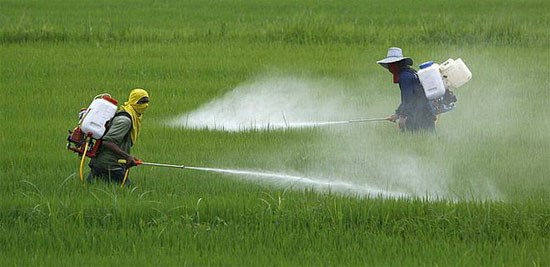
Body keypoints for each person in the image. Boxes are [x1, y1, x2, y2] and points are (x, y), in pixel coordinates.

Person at [87, 88, 150, 185]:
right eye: (141, 102)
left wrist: (127, 158)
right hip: (110, 164)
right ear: (134, 101)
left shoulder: (130, 115)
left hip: (101, 162)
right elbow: (107, 142)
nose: (145, 105)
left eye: (147, 101)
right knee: (129, 193)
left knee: (90, 188)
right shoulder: (125, 121)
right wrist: (127, 157)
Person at [377, 47, 436, 132]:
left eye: (391, 64)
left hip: (418, 115)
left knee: (415, 141)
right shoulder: (410, 72)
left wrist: (402, 116)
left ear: (397, 64)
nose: (390, 68)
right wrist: (397, 114)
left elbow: (408, 99)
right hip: (426, 112)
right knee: (426, 140)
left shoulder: (404, 77)